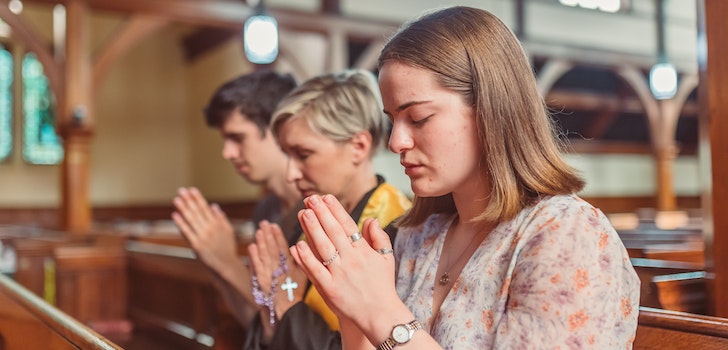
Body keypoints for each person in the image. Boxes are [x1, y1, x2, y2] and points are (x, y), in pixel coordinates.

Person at [289, 6, 640, 349]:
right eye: (392, 119)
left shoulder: (567, 234)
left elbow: (389, 327)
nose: (396, 142)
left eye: (419, 117)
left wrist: (380, 313)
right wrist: (353, 311)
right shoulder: (418, 235)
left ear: (490, 110)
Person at [244, 69, 412, 349]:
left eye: (304, 154)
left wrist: (286, 307)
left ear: (358, 146)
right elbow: (270, 327)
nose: (290, 174)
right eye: (287, 155)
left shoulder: (397, 229)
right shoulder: (300, 222)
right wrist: (269, 311)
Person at [171, 70, 303, 328]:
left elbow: (296, 328)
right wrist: (213, 261)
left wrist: (227, 262)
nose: (227, 153)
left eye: (237, 138)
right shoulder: (266, 209)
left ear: (278, 129)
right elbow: (260, 324)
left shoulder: (317, 208)